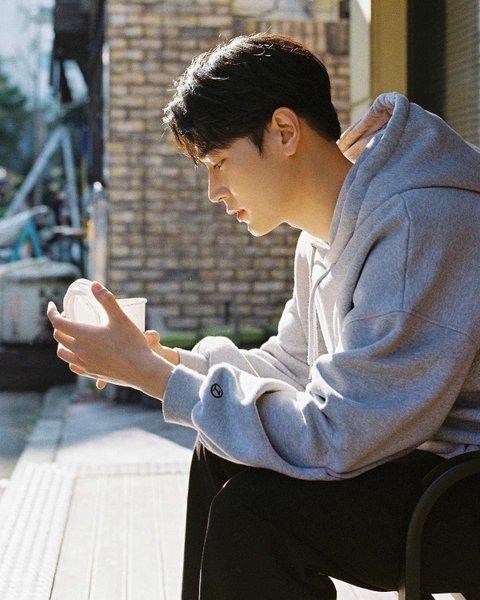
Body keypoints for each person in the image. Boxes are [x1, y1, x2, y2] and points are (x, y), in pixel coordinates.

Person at [48, 33, 480, 599]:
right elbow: (292, 368)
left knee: (254, 514)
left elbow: (339, 431)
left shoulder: (416, 223)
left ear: (284, 131)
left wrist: (158, 379)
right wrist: (163, 361)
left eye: (219, 162)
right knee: (219, 450)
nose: (213, 190)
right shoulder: (324, 234)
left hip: (460, 491)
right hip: (412, 466)